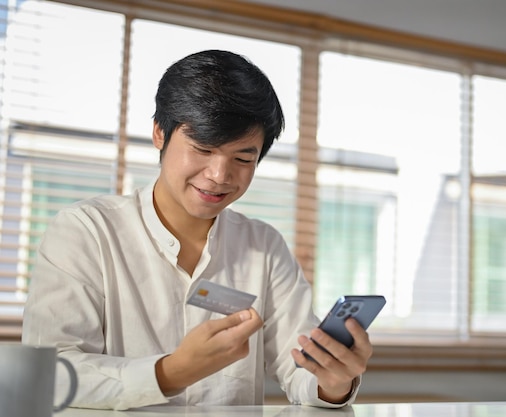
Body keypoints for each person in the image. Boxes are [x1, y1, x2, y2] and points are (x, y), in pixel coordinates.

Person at [21, 50, 373, 410]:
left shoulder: (264, 247)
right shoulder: (86, 232)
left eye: (242, 159)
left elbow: (300, 369)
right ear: (160, 133)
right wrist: (171, 372)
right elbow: (52, 374)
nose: (220, 176)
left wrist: (333, 381)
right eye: (203, 149)